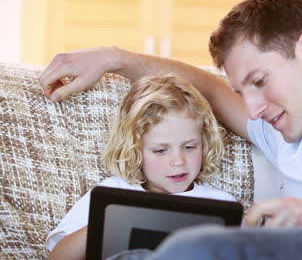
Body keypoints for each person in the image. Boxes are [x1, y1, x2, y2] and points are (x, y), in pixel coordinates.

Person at [39, 0, 302, 259]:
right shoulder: (286, 131)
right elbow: (203, 83)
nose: (255, 109)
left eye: (259, 81)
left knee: (193, 250)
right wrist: (115, 58)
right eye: (244, 92)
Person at [46, 74, 237, 260]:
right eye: (161, 150)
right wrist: (102, 223)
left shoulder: (220, 203)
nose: (178, 161)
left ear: (204, 142)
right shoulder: (112, 194)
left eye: (189, 147)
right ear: (134, 149)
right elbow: (58, 257)